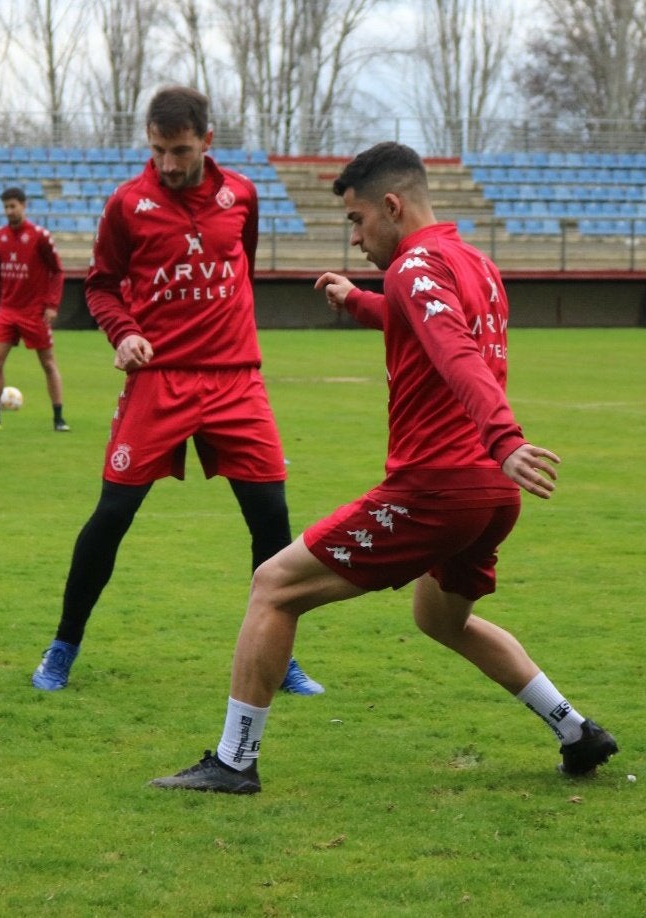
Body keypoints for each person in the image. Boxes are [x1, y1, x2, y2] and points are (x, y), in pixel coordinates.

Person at [151, 142, 618, 795]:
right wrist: (358, 302)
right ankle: (576, 731)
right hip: (491, 492)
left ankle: (233, 762)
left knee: (273, 587)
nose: (355, 237)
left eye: (357, 221)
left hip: (438, 486)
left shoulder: (410, 267)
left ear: (391, 206)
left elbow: (453, 351)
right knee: (439, 618)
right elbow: (428, 324)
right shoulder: (476, 264)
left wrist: (505, 436)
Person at [30, 86, 323, 697]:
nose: (168, 163)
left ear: (207, 141)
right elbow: (102, 287)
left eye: (181, 150)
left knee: (271, 518)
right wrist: (125, 332)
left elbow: (241, 261)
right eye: (158, 149)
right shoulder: (126, 205)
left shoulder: (242, 193)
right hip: (158, 380)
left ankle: (280, 657)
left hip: (236, 378)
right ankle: (63, 646)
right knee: (112, 516)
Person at [0, 186, 69, 432]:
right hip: (8, 310)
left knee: (47, 363)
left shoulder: (40, 236)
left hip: (34, 311)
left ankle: (58, 418)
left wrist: (52, 305)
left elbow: (57, 271)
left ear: (24, 206)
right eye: (5, 207)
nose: (9, 211)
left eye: (13, 206)